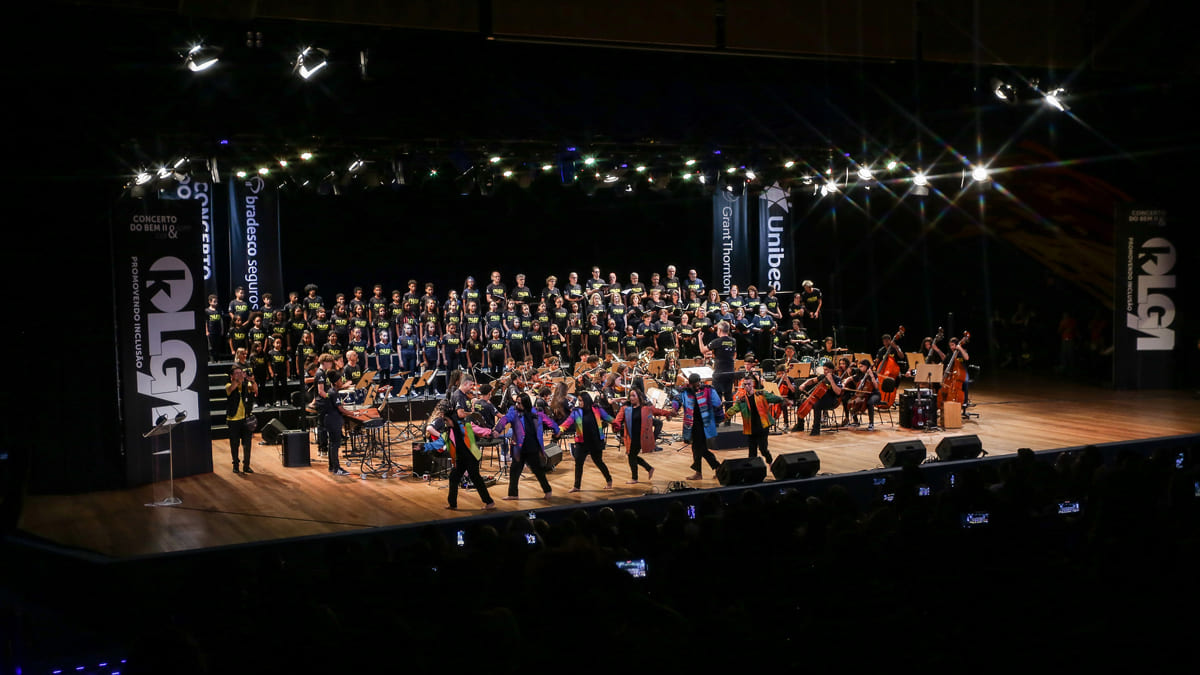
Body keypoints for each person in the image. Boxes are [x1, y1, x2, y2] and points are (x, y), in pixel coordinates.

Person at [494, 392, 557, 500]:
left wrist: (557, 430)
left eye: (519, 403)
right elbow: (504, 419)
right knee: (514, 470)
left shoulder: (536, 413)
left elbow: (550, 422)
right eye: (516, 403)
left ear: (525, 403)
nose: (517, 405)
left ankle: (547, 490)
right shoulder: (513, 412)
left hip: (532, 446)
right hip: (519, 447)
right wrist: (497, 430)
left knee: (537, 470)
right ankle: (513, 494)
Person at [434, 407, 497, 511]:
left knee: (476, 479)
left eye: (446, 420)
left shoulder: (465, 426)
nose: (445, 422)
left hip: (471, 457)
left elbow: (478, 430)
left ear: (452, 419)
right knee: (453, 478)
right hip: (460, 459)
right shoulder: (449, 431)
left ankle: (489, 502)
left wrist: (490, 432)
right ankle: (452, 504)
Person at [554, 391, 614, 493]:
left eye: (581, 400)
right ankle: (576, 486)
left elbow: (608, 418)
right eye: (579, 400)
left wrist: (617, 422)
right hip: (582, 441)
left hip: (595, 440)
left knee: (598, 462)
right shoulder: (576, 411)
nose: (579, 402)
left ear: (586, 400)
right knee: (578, 463)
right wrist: (559, 430)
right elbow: (567, 422)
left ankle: (609, 480)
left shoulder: (596, 408)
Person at [613, 388, 674, 484]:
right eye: (630, 396)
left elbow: (658, 411)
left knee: (631, 456)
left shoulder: (646, 408)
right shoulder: (625, 408)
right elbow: (618, 419)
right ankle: (648, 469)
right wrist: (616, 425)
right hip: (630, 437)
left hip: (641, 437)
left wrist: (669, 413)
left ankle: (636, 477)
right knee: (631, 456)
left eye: (634, 396)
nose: (631, 398)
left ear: (639, 397)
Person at [731, 374, 784, 464]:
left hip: (762, 426)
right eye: (745, 385)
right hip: (751, 427)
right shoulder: (743, 398)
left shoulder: (760, 394)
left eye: (749, 384)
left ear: (752, 384)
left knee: (763, 449)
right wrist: (723, 417)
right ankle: (753, 470)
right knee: (752, 452)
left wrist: (782, 400)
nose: (747, 386)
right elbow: (734, 409)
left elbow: (775, 398)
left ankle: (770, 462)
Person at [313, 354, 352, 475]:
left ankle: (332, 467)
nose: (331, 365)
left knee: (332, 443)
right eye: (330, 363)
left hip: (328, 414)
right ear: (325, 362)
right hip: (330, 414)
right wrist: (333, 398)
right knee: (335, 443)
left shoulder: (326, 379)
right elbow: (321, 392)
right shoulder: (320, 374)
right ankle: (336, 468)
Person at [680, 372, 723, 480]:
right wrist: (673, 409)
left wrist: (719, 417)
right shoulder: (686, 391)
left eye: (698, 384)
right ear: (690, 384)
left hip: (704, 424)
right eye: (695, 385)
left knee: (700, 448)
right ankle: (702, 471)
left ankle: (717, 468)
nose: (697, 387)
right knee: (696, 448)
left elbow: (717, 403)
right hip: (692, 424)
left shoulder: (708, 390)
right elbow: (677, 399)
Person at [225, 365, 258, 474]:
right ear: (232, 376)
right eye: (237, 373)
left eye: (241, 372)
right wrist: (239, 379)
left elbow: (255, 390)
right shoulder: (228, 385)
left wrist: (252, 381)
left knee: (247, 444)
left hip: (246, 419)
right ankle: (235, 465)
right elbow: (232, 388)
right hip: (233, 419)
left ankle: (246, 465)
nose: (240, 374)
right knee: (234, 444)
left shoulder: (245, 384)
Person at [701, 320, 738, 412]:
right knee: (728, 396)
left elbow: (703, 350)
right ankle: (728, 420)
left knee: (717, 396)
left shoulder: (716, 342)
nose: (717, 331)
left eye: (717, 329)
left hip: (719, 372)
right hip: (730, 371)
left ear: (720, 330)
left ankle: (718, 418)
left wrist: (700, 338)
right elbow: (733, 354)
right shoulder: (733, 341)